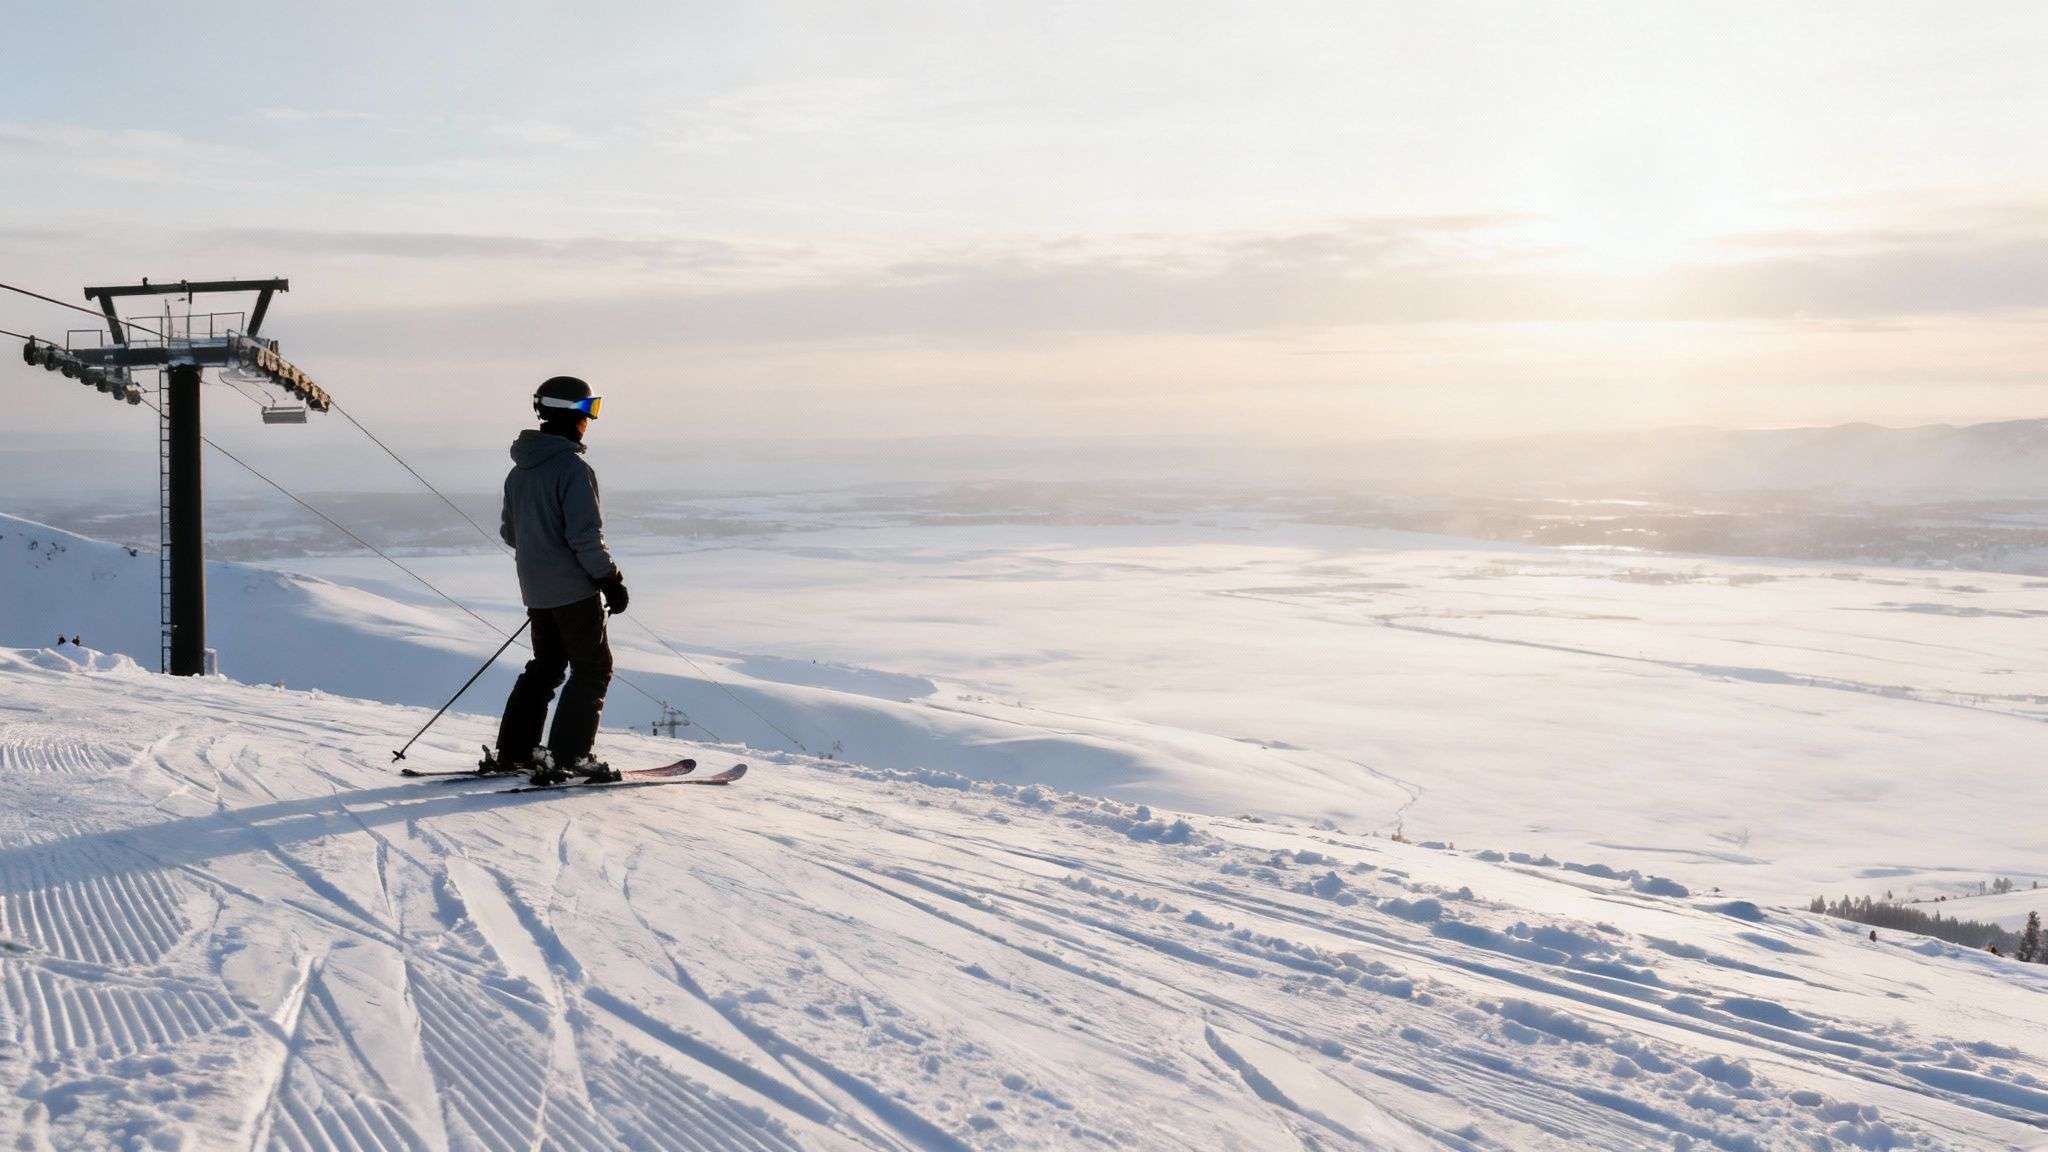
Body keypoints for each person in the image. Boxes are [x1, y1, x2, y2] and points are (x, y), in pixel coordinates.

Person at [494, 376, 630, 785]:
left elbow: (509, 533)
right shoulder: (572, 469)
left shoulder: (519, 472)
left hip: (536, 591)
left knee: (546, 667)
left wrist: (542, 553)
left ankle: (515, 751)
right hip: (573, 591)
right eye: (589, 409)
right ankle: (569, 756)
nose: (591, 419)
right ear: (571, 413)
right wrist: (610, 580)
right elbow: (585, 537)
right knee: (592, 668)